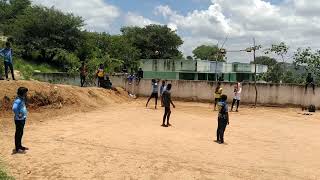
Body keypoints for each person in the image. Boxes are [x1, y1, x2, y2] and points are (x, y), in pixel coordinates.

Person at [12, 87, 29, 154]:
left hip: (22, 118)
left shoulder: (22, 99)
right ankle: (17, 148)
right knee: (18, 133)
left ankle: (20, 146)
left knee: (20, 133)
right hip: (19, 119)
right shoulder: (18, 100)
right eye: (25, 92)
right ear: (23, 93)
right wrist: (18, 114)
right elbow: (14, 108)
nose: (26, 93)